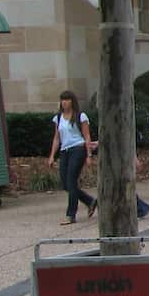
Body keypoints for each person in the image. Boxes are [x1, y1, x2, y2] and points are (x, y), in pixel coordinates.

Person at [47, 90, 96, 226]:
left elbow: (86, 136)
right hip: (65, 151)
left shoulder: (80, 116)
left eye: (67, 100)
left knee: (71, 180)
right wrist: (52, 156)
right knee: (66, 184)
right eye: (62, 100)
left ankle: (71, 214)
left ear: (72, 101)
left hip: (78, 148)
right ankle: (89, 201)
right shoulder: (58, 118)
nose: (64, 103)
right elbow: (57, 138)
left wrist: (88, 155)